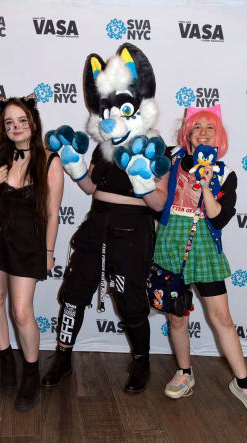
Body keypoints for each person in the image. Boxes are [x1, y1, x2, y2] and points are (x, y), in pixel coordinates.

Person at [41, 44, 170, 395]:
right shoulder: (104, 144)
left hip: (133, 231)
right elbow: (88, 187)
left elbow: (160, 204)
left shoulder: (155, 145)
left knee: (131, 302)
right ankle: (63, 358)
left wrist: (143, 183)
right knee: (72, 295)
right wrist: (75, 166)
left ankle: (141, 362)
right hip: (95, 225)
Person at [0, 96, 63, 410]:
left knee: (21, 312)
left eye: (21, 120)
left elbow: (52, 212)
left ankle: (31, 372)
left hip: (27, 243)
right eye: (9, 122)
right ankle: (7, 361)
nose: (15, 127)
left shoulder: (50, 160)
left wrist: (48, 251)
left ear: (32, 123)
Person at [155, 105, 247, 407]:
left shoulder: (228, 173)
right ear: (188, 134)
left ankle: (243, 383)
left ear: (218, 135)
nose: (204, 132)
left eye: (210, 127)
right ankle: (184, 372)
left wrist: (207, 185)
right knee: (177, 317)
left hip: (204, 247)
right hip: (170, 245)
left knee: (222, 318)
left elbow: (219, 219)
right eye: (197, 127)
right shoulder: (170, 158)